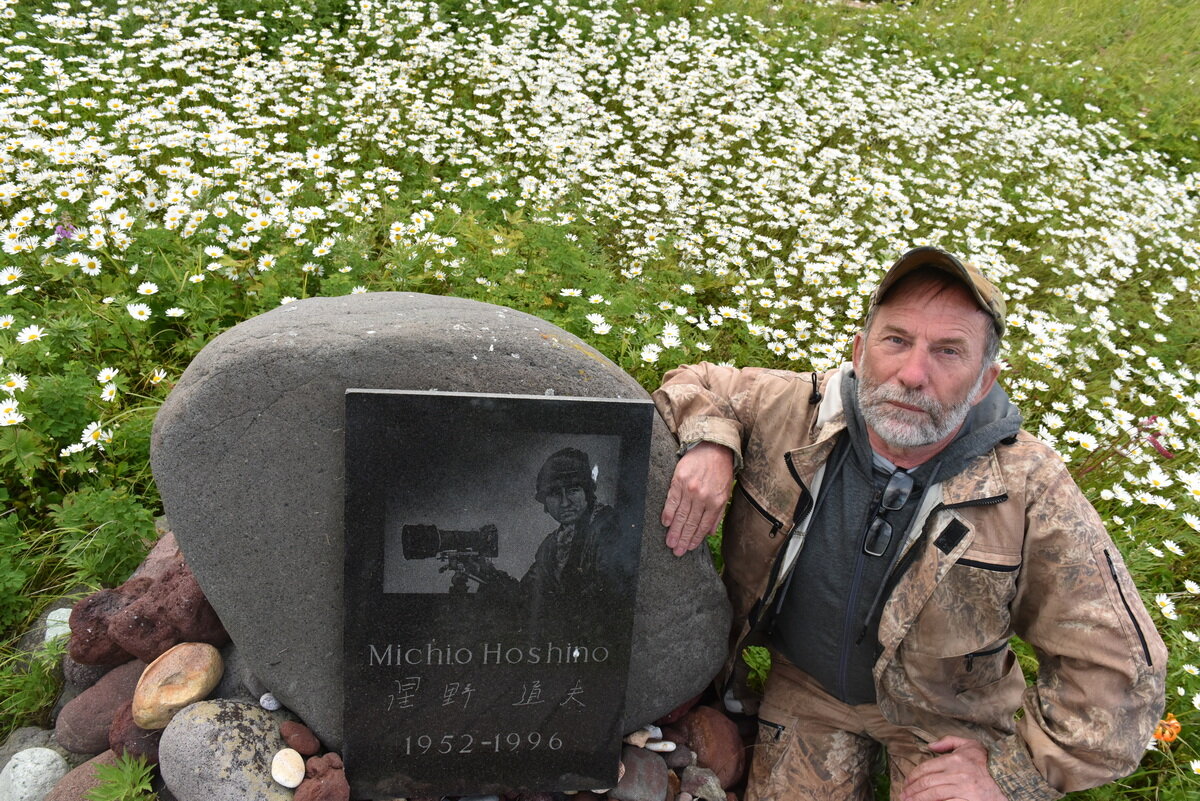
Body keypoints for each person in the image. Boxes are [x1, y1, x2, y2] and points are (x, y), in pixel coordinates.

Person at [651, 247, 1166, 801]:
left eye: (949, 351)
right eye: (896, 340)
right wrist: (711, 442)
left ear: (984, 380)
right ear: (860, 349)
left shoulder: (1030, 487)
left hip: (949, 720)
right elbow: (695, 380)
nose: (913, 374)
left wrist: (1015, 774)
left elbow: (1121, 665)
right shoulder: (795, 411)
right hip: (808, 689)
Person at [472, 447, 626, 598]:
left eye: (573, 491)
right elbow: (526, 593)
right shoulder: (550, 546)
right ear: (545, 501)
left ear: (587, 492)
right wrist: (487, 573)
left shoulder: (608, 528)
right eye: (555, 494)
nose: (565, 503)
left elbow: (609, 596)